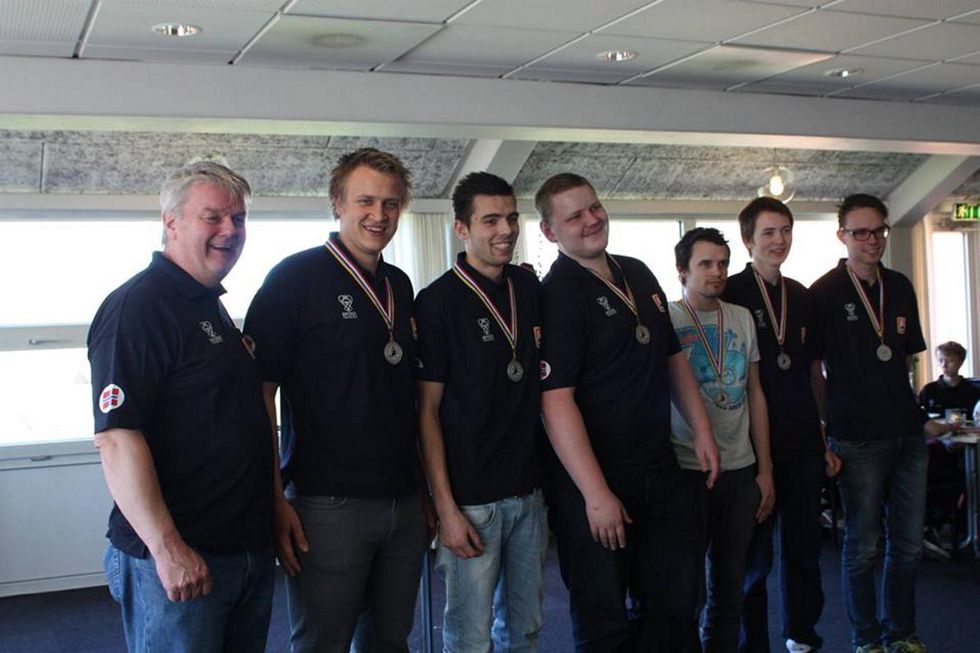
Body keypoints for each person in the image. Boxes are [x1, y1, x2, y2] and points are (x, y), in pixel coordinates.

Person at [243, 148, 429, 652]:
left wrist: (425, 493)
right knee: (322, 642)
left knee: (390, 641)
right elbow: (259, 395)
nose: (379, 215)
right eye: (365, 201)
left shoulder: (399, 284)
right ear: (338, 204)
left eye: (390, 203)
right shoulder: (294, 278)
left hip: (403, 500)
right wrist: (274, 497)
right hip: (327, 504)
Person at [88, 161, 275, 652]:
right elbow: (116, 438)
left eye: (238, 218)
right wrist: (168, 548)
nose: (229, 230)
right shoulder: (138, 308)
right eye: (213, 217)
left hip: (243, 550)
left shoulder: (207, 302)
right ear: (171, 222)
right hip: (181, 558)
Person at [535, 172, 720, 653]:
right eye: (574, 216)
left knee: (673, 609)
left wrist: (701, 428)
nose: (591, 220)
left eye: (594, 207)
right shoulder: (556, 295)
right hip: (594, 480)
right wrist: (596, 495)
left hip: (658, 467)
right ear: (550, 232)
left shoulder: (637, 272)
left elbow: (672, 357)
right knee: (604, 621)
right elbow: (555, 401)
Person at [415, 171, 548, 652]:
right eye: (490, 220)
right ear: (461, 228)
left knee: (525, 631)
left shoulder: (528, 287)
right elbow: (426, 412)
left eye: (511, 218)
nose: (505, 230)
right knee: (470, 638)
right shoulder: (436, 303)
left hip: (529, 494)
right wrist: (445, 508)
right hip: (472, 502)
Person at [809, 194, 929, 653]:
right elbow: (813, 369)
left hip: (907, 434)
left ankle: (902, 633)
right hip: (857, 438)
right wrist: (825, 429)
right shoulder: (823, 292)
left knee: (909, 546)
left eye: (879, 230)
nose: (872, 239)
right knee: (863, 548)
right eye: (861, 232)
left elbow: (905, 358)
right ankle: (867, 639)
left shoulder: (899, 286)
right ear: (842, 235)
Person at [723, 198, 839, 653]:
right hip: (752, 447)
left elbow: (813, 372)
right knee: (754, 556)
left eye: (786, 230)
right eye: (768, 232)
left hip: (803, 441)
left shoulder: (802, 296)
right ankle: (752, 643)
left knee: (804, 548)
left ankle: (802, 634)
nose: (779, 240)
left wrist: (823, 435)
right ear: (748, 240)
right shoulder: (730, 293)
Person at [670, 227, 775, 653]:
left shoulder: (742, 317)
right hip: (686, 469)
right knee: (686, 587)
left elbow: (755, 392)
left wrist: (765, 470)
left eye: (723, 264)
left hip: (740, 469)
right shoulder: (667, 319)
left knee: (731, 585)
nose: (717, 272)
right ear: (682, 270)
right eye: (706, 264)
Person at [917, 341, 979, 555]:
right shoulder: (929, 391)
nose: (944, 364)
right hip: (936, 448)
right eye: (941, 360)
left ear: (960, 362)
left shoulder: (972, 392)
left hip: (966, 446)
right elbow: (921, 424)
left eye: (949, 360)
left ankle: (961, 524)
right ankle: (934, 523)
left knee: (969, 475)